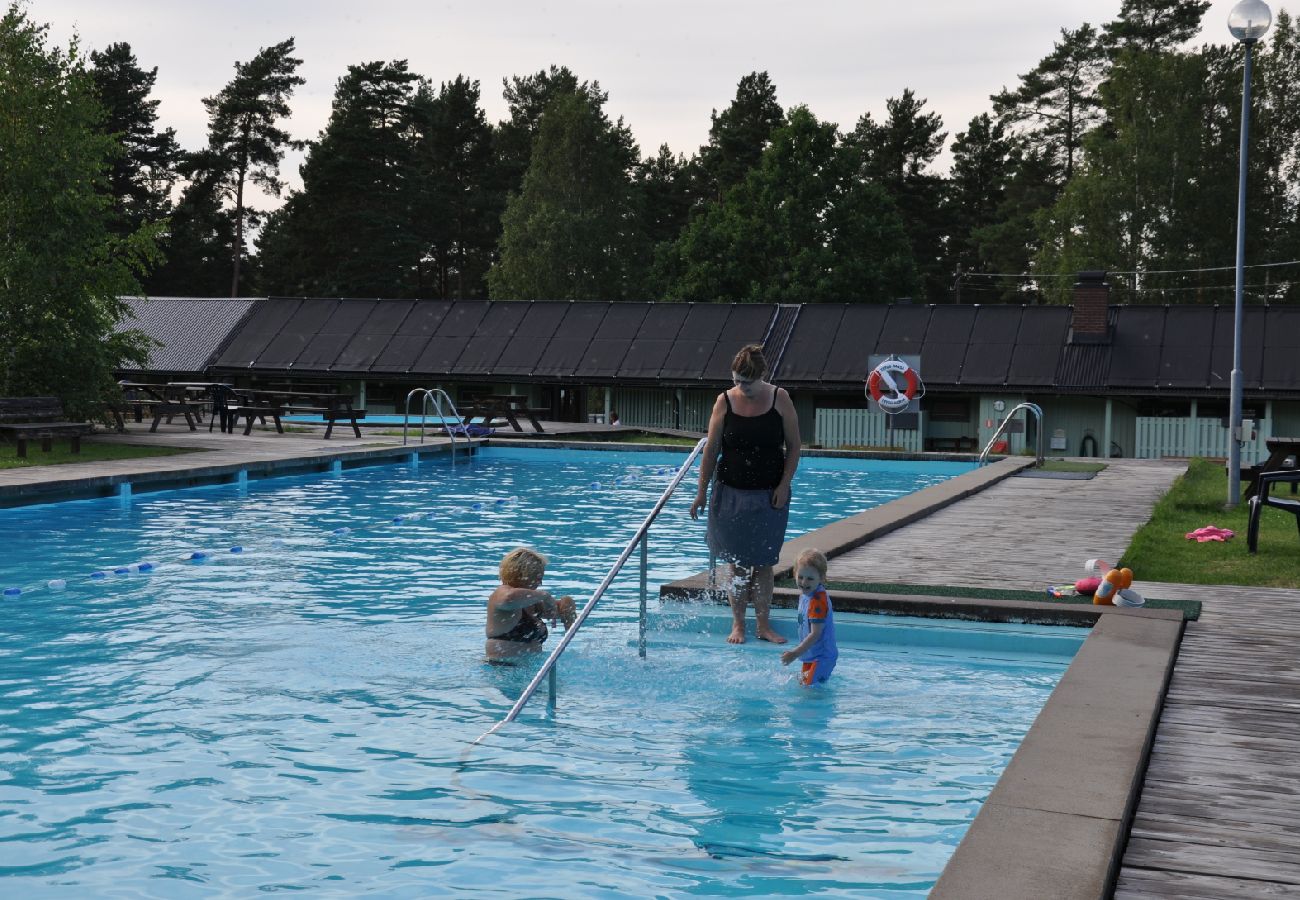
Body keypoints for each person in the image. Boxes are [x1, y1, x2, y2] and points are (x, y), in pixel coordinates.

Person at [689, 344, 801, 644]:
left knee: (764, 563)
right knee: (736, 564)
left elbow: (794, 447)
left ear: (762, 376)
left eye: (747, 382)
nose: (741, 387)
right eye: (737, 380)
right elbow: (711, 450)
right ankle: (738, 624)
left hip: (768, 494)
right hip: (730, 494)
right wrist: (701, 492)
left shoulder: (780, 399)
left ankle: (763, 625)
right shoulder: (724, 401)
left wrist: (783, 485)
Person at [485, 548, 576, 662]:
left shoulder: (532, 601)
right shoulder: (501, 593)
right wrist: (545, 595)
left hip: (531, 668)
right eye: (538, 578)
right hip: (502, 670)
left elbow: (561, 609)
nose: (540, 583)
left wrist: (567, 607)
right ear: (523, 574)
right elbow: (508, 598)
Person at [781, 549, 838, 685]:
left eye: (810, 578)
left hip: (822, 657)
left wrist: (795, 653)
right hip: (811, 655)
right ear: (794, 574)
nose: (804, 582)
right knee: (806, 687)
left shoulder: (817, 601)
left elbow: (815, 634)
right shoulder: (806, 594)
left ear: (822, 578)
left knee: (810, 692)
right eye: (800, 577)